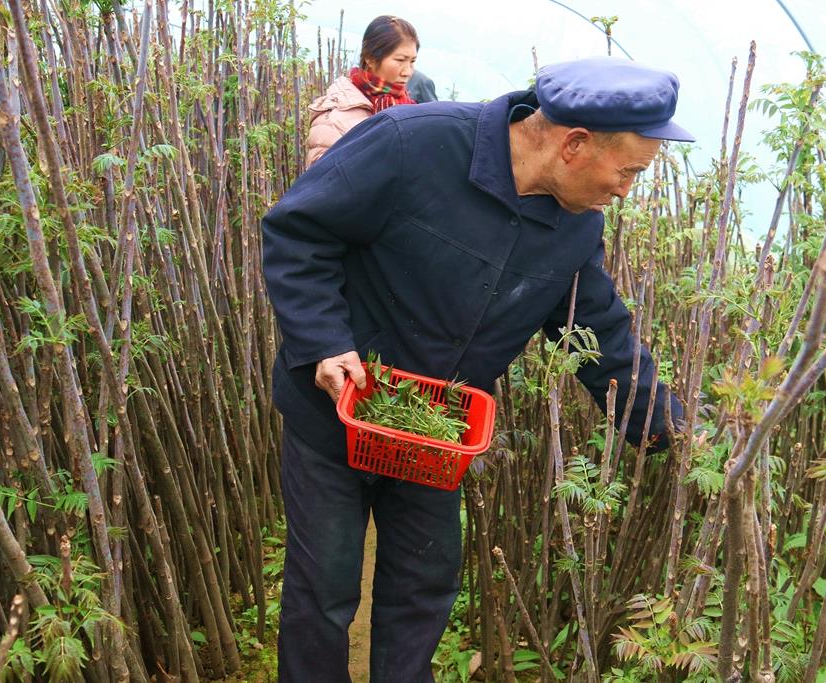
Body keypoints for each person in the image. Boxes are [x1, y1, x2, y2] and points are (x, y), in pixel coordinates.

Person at [263, 56, 695, 682]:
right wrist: (325, 341)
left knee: (423, 584)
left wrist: (674, 432)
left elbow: (599, 332)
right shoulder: (412, 144)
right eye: (628, 170)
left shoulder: (574, 225)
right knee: (324, 586)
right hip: (336, 408)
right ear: (574, 144)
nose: (626, 189)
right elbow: (299, 232)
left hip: (437, 435)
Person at [306, 15, 420, 166]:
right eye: (400, 60)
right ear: (370, 59)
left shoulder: (409, 108)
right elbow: (323, 176)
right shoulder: (335, 117)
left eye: (412, 61)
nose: (408, 72)